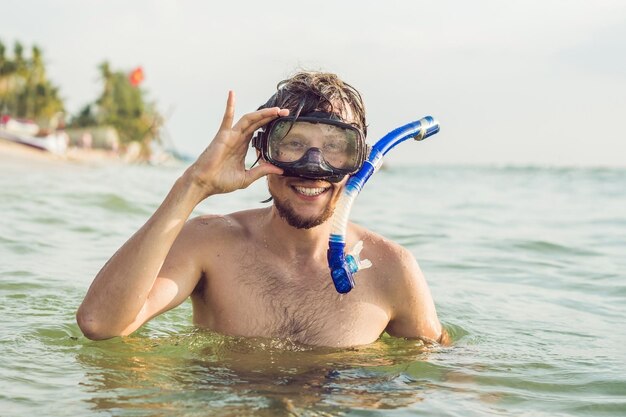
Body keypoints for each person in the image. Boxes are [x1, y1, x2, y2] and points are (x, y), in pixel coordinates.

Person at [77, 71, 446, 347]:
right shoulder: (211, 246)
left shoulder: (393, 269)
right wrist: (194, 186)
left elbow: (439, 373)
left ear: (360, 161)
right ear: (260, 150)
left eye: (335, 147)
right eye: (293, 144)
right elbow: (100, 324)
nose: (312, 166)